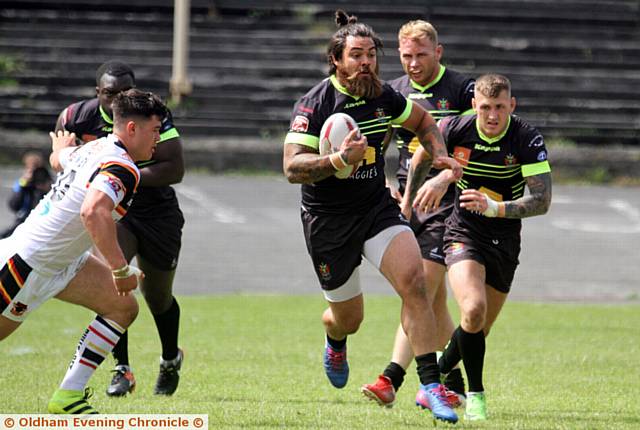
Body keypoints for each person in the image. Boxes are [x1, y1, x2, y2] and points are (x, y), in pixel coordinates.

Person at [283, 10, 463, 424]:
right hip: (328, 220)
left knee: (415, 283)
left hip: (375, 209)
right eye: (356, 55)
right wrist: (336, 159)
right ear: (337, 60)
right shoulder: (315, 104)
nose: (366, 62)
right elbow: (292, 167)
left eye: (371, 55)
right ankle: (335, 337)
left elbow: (423, 121)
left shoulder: (385, 96)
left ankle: (431, 386)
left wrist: (438, 154)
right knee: (350, 318)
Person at [0, 88, 167, 414]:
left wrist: (59, 149)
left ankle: (68, 397)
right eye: (155, 130)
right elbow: (93, 212)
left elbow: (60, 159)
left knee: (122, 308)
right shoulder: (123, 167)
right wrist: (120, 270)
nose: (158, 139)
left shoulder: (98, 147)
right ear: (132, 129)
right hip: (27, 264)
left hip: (63, 263)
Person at [402, 73, 552, 420]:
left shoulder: (526, 138)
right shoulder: (456, 128)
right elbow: (424, 157)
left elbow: (542, 200)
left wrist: (494, 207)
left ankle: (437, 373)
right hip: (462, 232)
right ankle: (475, 395)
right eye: (485, 107)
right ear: (474, 106)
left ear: (511, 106)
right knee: (472, 309)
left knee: (477, 328)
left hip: (504, 238)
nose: (493, 115)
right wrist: (410, 201)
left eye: (500, 107)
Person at [361, 20, 475, 409]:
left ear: (438, 53)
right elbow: (383, 141)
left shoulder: (462, 89)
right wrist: (387, 185)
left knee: (420, 287)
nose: (413, 63)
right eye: (406, 56)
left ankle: (391, 377)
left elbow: (475, 139)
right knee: (431, 298)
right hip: (410, 199)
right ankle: (453, 383)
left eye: (421, 55)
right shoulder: (394, 91)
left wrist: (445, 176)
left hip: (450, 200)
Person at [55, 61, 186, 396]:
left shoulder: (149, 116)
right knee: (116, 288)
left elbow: (174, 167)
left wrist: (126, 177)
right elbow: (62, 160)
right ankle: (121, 369)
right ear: (97, 92)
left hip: (158, 214)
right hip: (114, 213)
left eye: (124, 92)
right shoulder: (75, 117)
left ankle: (170, 358)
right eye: (110, 93)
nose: (118, 98)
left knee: (158, 297)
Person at [2, 151, 52, 238]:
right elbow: (14, 206)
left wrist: (47, 187)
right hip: (24, 218)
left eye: (36, 168)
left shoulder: (48, 181)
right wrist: (23, 185)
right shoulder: (22, 183)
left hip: (44, 220)